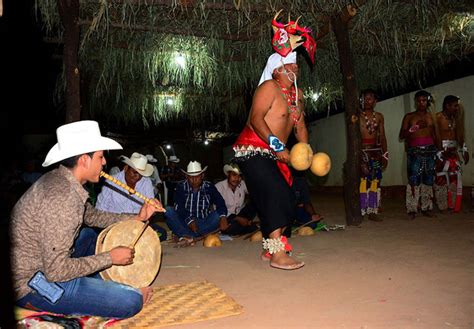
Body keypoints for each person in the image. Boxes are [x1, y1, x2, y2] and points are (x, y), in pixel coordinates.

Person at [10, 121, 162, 318]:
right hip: (33, 282)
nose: (105, 162)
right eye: (100, 156)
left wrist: (138, 217)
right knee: (130, 301)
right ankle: (113, 290)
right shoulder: (62, 198)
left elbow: (93, 216)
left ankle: (97, 284)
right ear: (84, 160)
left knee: (89, 235)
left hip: (46, 262)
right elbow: (56, 271)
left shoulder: (62, 180)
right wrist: (110, 258)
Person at [232, 12, 316, 270]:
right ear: (276, 70)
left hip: (275, 154)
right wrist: (279, 147)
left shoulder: (296, 97)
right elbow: (256, 120)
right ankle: (278, 252)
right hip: (252, 149)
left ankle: (270, 249)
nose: (295, 68)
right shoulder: (268, 88)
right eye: (289, 65)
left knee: (289, 198)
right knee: (276, 193)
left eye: (295, 64)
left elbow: (300, 128)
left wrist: (306, 152)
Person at [96, 152, 168, 241]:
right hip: (116, 224)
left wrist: (151, 209)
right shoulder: (111, 182)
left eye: (140, 174)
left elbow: (150, 209)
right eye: (134, 172)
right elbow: (100, 208)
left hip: (138, 224)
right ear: (126, 168)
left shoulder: (146, 182)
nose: (137, 177)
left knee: (161, 234)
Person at [399, 90, 438, 219]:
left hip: (430, 150)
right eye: (419, 100)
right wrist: (415, 127)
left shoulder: (432, 116)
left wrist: (439, 151)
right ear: (415, 102)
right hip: (414, 151)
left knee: (428, 180)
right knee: (413, 180)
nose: (421, 103)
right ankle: (412, 209)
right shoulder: (409, 117)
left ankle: (427, 207)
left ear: (427, 101)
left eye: (424, 100)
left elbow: (436, 135)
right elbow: (402, 136)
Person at [165, 161, 229, 239]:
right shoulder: (181, 187)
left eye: (197, 176)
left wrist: (223, 217)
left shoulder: (209, 187)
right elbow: (179, 207)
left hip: (204, 222)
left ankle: (187, 235)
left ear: (202, 175)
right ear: (186, 176)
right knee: (168, 211)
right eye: (191, 177)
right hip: (186, 222)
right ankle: (194, 235)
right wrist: (190, 221)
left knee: (218, 215)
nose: (194, 179)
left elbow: (220, 202)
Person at [434, 95, 469, 213]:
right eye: (455, 106)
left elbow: (460, 135)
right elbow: (433, 136)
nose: (457, 108)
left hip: (453, 153)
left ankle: (453, 204)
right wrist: (439, 152)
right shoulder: (437, 118)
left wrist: (464, 150)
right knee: (441, 179)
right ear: (447, 105)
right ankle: (442, 205)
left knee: (454, 178)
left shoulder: (456, 119)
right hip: (441, 153)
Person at [358, 89, 388, 221]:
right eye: (364, 98)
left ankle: (373, 210)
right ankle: (362, 209)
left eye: (370, 98)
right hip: (362, 153)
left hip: (375, 153)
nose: (366, 100)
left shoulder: (379, 116)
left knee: (375, 180)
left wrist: (385, 155)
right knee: (363, 180)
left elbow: (383, 137)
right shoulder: (357, 116)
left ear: (375, 101)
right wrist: (357, 156)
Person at [215, 163, 259, 236]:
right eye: (234, 175)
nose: (237, 179)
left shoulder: (242, 183)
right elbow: (216, 210)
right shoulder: (219, 187)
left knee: (256, 201)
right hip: (226, 217)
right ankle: (252, 227)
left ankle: (248, 225)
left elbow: (254, 191)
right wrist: (237, 218)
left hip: (240, 213)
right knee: (231, 229)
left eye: (239, 176)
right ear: (228, 175)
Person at [287, 170, 326, 235]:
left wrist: (313, 214)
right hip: (284, 211)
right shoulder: (281, 182)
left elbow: (306, 201)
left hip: (297, 210)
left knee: (312, 224)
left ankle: (296, 223)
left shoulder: (301, 182)